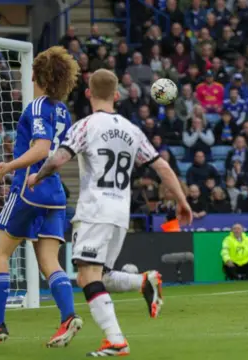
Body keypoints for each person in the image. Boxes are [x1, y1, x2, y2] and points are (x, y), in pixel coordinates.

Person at [25, 69, 192, 356]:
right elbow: (162, 166)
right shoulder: (132, 130)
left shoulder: (85, 126)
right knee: (97, 275)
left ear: (89, 93)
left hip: (95, 210)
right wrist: (182, 201)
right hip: (119, 213)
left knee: (88, 276)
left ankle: (116, 340)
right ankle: (143, 280)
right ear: (116, 95)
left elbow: (58, 159)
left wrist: (35, 177)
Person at [0, 47, 81, 349]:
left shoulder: (37, 106)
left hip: (28, 191)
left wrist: (9, 166)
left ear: (37, 75)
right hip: (53, 192)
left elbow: (42, 149)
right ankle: (69, 316)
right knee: (48, 261)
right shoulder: (62, 111)